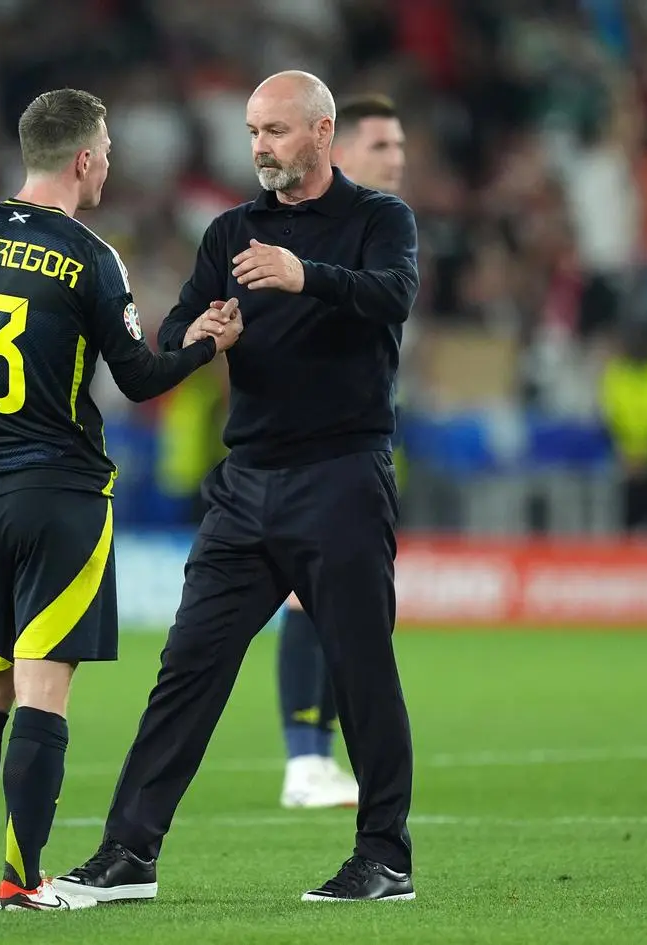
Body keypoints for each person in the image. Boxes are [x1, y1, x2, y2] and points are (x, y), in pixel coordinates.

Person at [0, 87, 242, 913]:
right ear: (82, 158)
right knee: (42, 689)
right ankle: (22, 877)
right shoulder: (89, 258)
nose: (109, 160)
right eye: (105, 147)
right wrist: (205, 343)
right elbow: (140, 380)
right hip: (61, 493)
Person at [52, 71, 419, 905]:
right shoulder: (229, 231)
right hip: (246, 484)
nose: (259, 146)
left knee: (361, 672)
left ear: (323, 133)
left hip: (341, 479)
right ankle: (129, 852)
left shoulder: (377, 219)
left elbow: (395, 295)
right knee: (188, 665)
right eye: (253, 131)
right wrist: (202, 334)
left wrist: (305, 274)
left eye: (276, 131)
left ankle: (384, 857)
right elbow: (178, 323)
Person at [276, 93, 406, 809]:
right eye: (384, 146)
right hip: (300, 451)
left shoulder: (383, 229)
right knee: (308, 597)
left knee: (347, 606)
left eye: (400, 146)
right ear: (340, 149)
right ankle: (305, 759)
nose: (399, 159)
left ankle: (316, 758)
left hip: (359, 447)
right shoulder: (304, 231)